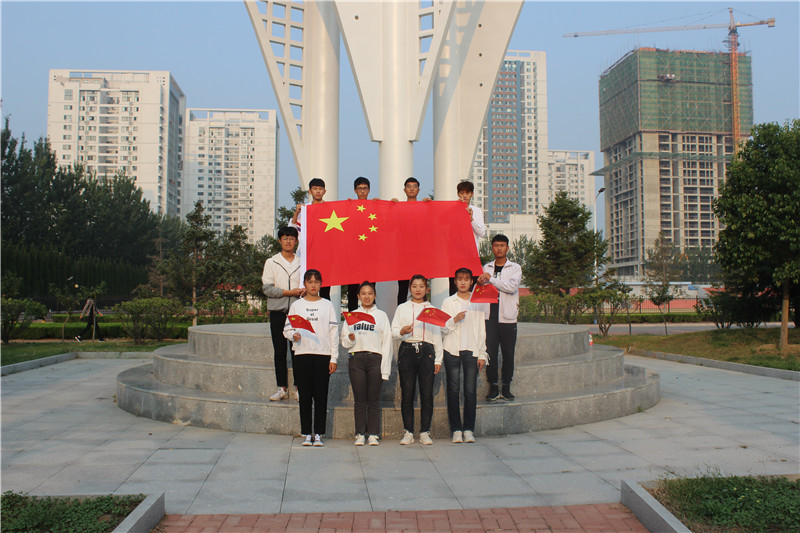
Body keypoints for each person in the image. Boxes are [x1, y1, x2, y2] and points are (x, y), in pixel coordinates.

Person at [284, 269, 339, 447]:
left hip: (323, 354)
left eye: (316, 281)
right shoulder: (297, 306)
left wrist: (334, 358)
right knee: (305, 396)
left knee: (321, 395)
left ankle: (319, 433)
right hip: (302, 354)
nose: (313, 285)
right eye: (310, 282)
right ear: (304, 284)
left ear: (321, 284)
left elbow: (333, 333)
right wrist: (293, 335)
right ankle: (307, 433)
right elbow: (287, 329)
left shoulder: (327, 305)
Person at [391, 274, 442, 445]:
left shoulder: (431, 309)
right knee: (407, 393)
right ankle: (408, 431)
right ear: (410, 288)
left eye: (421, 286)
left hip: (427, 351)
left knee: (427, 394)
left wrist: (438, 359)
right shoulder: (402, 308)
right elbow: (393, 331)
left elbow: (437, 335)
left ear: (426, 289)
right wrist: (402, 331)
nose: (418, 290)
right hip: (407, 350)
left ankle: (425, 432)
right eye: (414, 286)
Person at [341, 281, 392, 446]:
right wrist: (350, 338)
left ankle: (373, 434)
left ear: (375, 295)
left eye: (370, 293)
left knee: (373, 399)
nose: (367, 296)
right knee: (360, 399)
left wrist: (385, 370)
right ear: (358, 296)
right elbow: (344, 341)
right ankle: (360, 433)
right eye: (363, 293)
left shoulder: (381, 316)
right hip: (356, 359)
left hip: (375, 359)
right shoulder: (352, 315)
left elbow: (387, 343)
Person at [441, 268, 488, 443]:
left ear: (471, 282)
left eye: (466, 279)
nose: (463, 282)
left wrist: (482, 353)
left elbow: (481, 329)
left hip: (471, 349)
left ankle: (468, 429)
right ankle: (456, 430)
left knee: (470, 390)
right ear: (455, 281)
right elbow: (442, 328)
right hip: (452, 349)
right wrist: (454, 320)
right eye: (459, 279)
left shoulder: (477, 301)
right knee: (453, 391)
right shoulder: (448, 302)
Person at [477, 234, 521, 402]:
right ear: (492, 248)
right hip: (490, 316)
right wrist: (480, 282)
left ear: (507, 248)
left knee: (508, 354)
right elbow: (481, 288)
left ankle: (507, 386)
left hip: (508, 317)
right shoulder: (486, 267)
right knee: (491, 353)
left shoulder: (515, 268)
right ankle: (494, 386)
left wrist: (492, 280)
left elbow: (511, 287)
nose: (499, 248)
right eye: (496, 245)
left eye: (502, 245)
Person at [262, 226, 303, 401]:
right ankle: (282, 388)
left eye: (291, 238)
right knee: (279, 351)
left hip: (297, 312)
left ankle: (299, 387)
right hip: (278, 311)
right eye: (285, 238)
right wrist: (288, 292)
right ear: (279, 241)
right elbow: (267, 288)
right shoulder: (272, 262)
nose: (288, 241)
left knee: (297, 350)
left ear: (296, 241)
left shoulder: (302, 262)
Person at [392, 177, 431, 305]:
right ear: (405, 190)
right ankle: (400, 314)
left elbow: (433, 222)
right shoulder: (398, 207)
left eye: (414, 186)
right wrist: (391, 206)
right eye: (409, 186)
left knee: (421, 286)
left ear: (418, 190)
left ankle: (424, 313)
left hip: (420, 254)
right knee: (403, 288)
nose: (412, 189)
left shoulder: (424, 207)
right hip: (403, 254)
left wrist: (430, 205)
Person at [290, 178, 331, 300]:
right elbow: (292, 230)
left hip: (325, 256)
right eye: (315, 189)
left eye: (320, 189)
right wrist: (296, 213)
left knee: (325, 290)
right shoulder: (304, 209)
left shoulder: (330, 209)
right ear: (310, 191)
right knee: (305, 288)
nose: (318, 191)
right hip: (306, 255)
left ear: (324, 191)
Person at [449, 180, 486, 295]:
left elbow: (482, 233)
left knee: (472, 289)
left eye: (467, 192)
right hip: (455, 256)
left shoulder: (477, 211)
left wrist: (471, 219)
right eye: (462, 193)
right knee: (454, 289)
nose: (464, 196)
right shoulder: (451, 210)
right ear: (458, 194)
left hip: (472, 255)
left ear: (472, 194)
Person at [347, 177, 372, 312]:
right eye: (359, 188)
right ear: (355, 190)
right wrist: (346, 206)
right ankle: (352, 318)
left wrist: (388, 204)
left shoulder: (375, 206)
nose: (362, 191)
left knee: (370, 289)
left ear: (369, 190)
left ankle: (371, 317)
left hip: (370, 256)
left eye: (365, 188)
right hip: (353, 257)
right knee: (352, 291)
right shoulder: (349, 207)